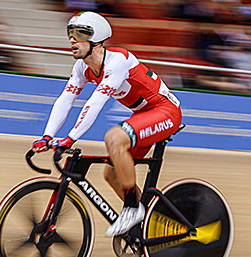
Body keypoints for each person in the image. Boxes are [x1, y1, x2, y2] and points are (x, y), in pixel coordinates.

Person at [31, 11, 182, 236]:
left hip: (166, 112)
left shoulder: (117, 61)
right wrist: (46, 136)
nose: (72, 39)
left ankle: (132, 208)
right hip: (143, 115)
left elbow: (95, 103)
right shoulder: (82, 67)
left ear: (97, 38)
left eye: (79, 33)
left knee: (113, 138)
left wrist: (70, 138)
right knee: (112, 174)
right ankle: (151, 223)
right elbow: (66, 99)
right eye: (70, 33)